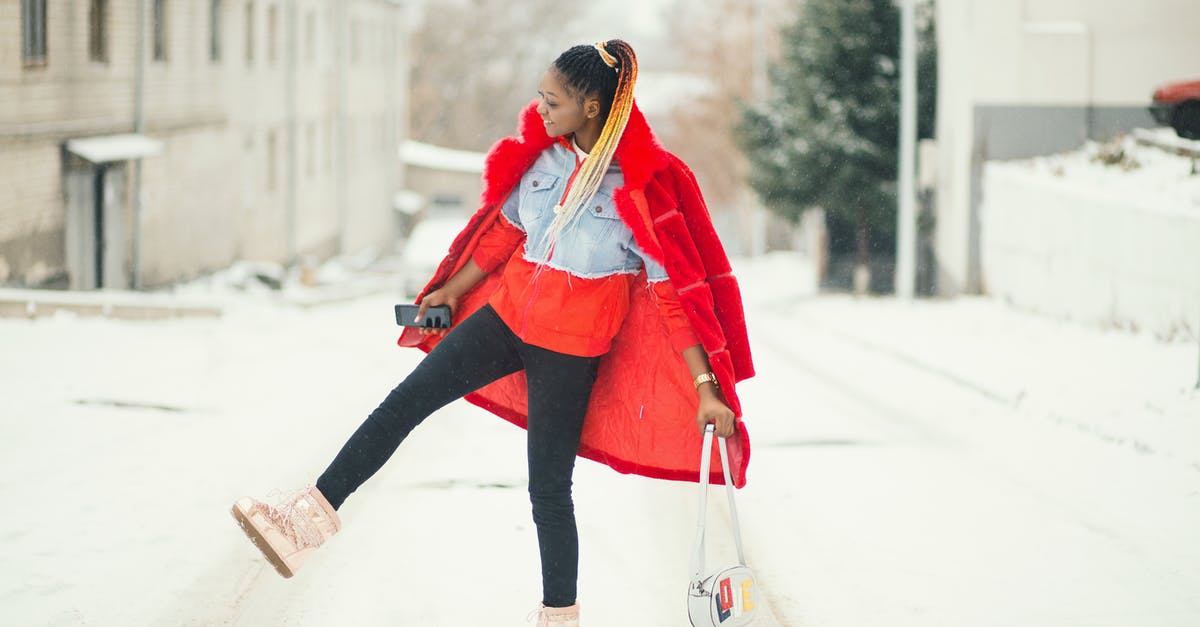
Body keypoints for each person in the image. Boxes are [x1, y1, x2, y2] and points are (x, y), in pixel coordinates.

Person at [231, 39, 754, 627]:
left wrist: (705, 385)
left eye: (552, 101)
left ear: (589, 107)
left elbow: (674, 297)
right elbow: (504, 233)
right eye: (541, 96)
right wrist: (453, 291)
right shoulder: (545, 161)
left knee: (548, 491)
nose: (540, 109)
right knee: (402, 404)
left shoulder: (636, 186)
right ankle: (306, 521)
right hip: (506, 319)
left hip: (571, 351)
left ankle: (560, 617)